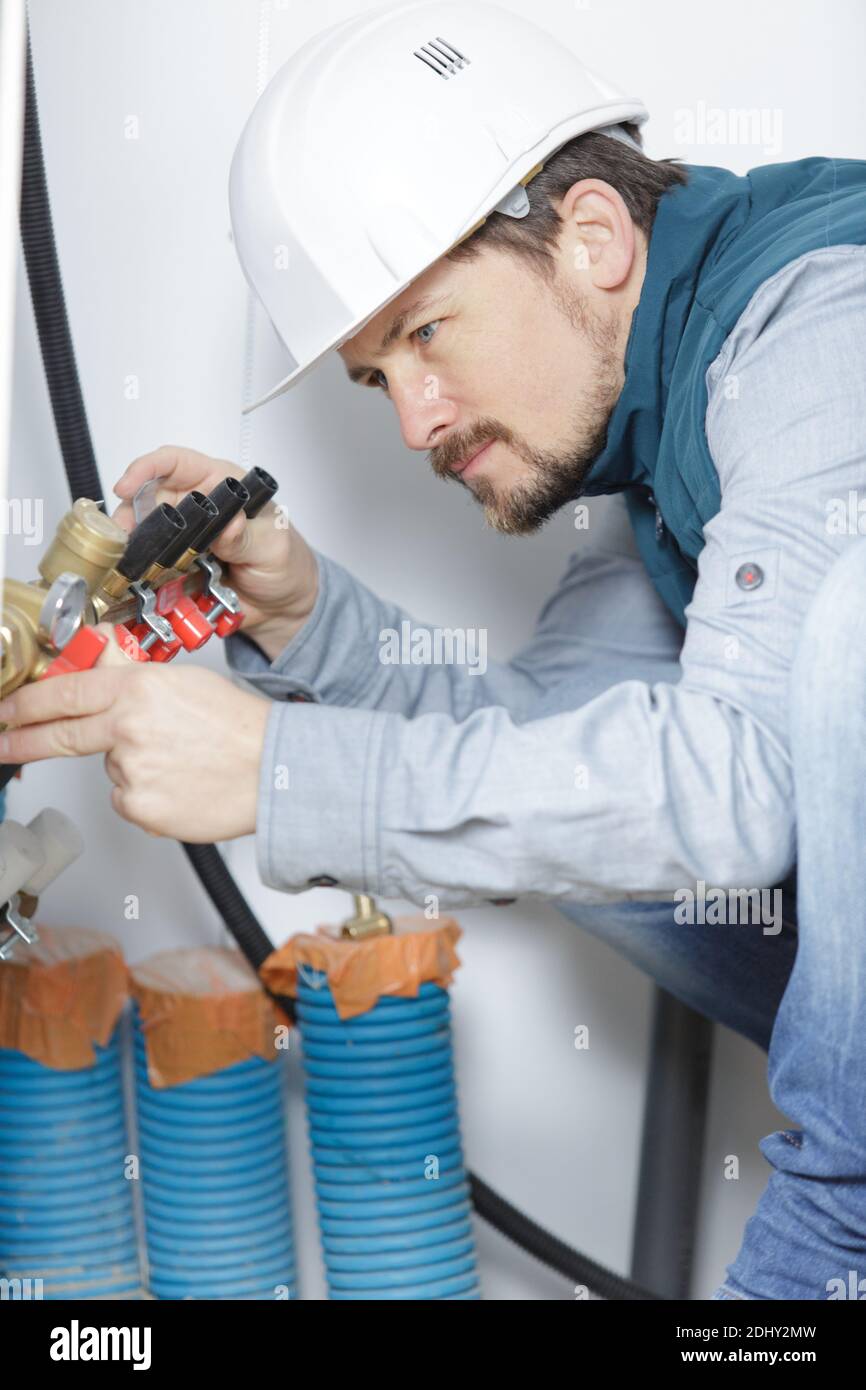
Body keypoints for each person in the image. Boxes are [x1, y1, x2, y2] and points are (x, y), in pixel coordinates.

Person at [1, 3, 864, 1299]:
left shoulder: (817, 325)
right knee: (579, 806)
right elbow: (540, 760)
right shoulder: (657, 436)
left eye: (425, 334)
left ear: (591, 236)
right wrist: (304, 617)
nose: (414, 422)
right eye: (374, 378)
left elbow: (729, 789)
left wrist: (283, 773)